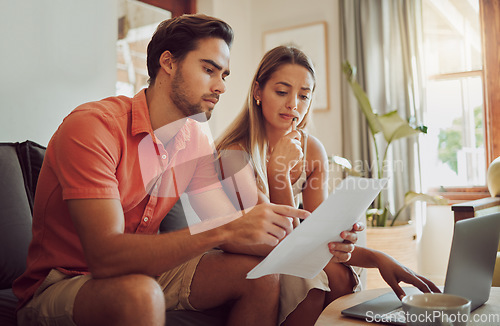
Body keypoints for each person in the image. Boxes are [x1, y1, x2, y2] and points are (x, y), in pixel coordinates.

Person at [12, 15, 361, 326]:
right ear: (168, 63)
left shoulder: (194, 137)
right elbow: (105, 258)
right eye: (209, 70)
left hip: (146, 270)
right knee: (139, 295)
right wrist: (221, 232)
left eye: (224, 75)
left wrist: (323, 244)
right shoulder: (93, 128)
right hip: (66, 280)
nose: (222, 87)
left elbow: (234, 229)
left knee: (260, 276)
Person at [216, 45, 440, 325]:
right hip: (253, 253)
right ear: (258, 92)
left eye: (304, 95)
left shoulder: (311, 149)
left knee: (340, 275)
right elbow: (285, 241)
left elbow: (316, 238)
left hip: (291, 250)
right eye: (282, 92)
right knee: (316, 278)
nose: (293, 104)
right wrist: (279, 172)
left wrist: (380, 258)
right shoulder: (233, 155)